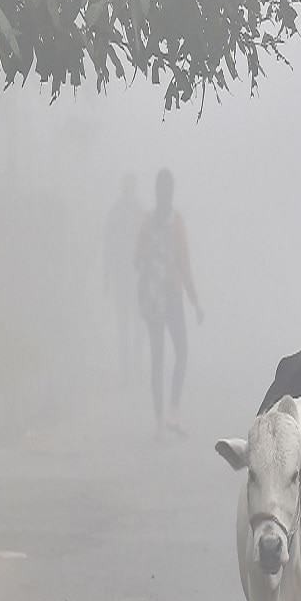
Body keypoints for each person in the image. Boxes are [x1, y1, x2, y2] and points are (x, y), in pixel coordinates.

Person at [135, 168, 203, 440]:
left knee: (157, 358)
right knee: (182, 351)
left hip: (152, 298)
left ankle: (159, 423)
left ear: (155, 191)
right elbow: (184, 266)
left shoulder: (147, 222)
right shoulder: (177, 223)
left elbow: (136, 260)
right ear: (172, 192)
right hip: (173, 296)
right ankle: (174, 410)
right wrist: (196, 302)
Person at [103, 173, 145, 386]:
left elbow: (149, 247)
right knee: (127, 325)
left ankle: (132, 369)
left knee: (133, 325)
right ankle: (128, 370)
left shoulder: (133, 213)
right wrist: (106, 276)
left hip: (134, 278)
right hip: (126, 277)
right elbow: (108, 246)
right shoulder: (124, 213)